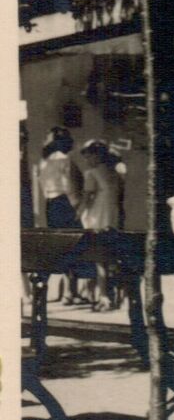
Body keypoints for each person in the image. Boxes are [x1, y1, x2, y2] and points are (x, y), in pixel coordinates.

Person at [37, 126, 85, 303]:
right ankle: (69, 291)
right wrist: (78, 209)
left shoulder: (44, 162)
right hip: (65, 204)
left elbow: (43, 186)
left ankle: (63, 290)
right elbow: (71, 186)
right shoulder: (66, 160)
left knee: (58, 246)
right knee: (71, 246)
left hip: (50, 204)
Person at [79, 139, 125, 311]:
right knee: (110, 258)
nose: (87, 160)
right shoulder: (115, 173)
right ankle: (106, 295)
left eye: (89, 156)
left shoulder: (91, 173)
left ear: (97, 156)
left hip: (97, 219)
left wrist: (78, 213)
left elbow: (86, 198)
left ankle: (104, 297)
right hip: (112, 218)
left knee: (100, 260)